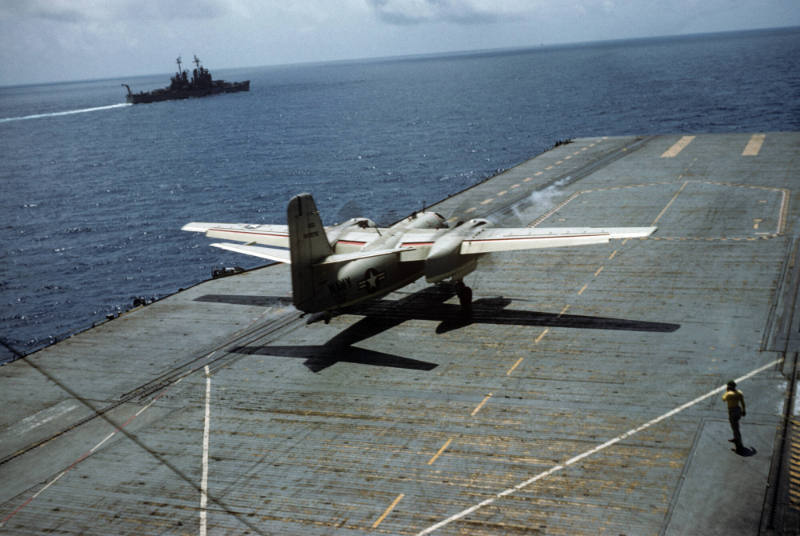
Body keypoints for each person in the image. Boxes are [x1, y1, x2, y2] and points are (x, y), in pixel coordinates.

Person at [722, 380, 746, 453]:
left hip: (732, 411)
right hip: (738, 410)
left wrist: (726, 391)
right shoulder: (739, 393)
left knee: (735, 428)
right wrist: (744, 410)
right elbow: (742, 403)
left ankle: (739, 447)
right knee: (735, 427)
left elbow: (723, 399)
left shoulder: (729, 394)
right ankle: (736, 438)